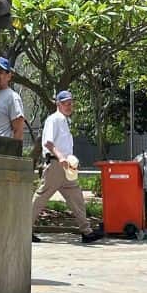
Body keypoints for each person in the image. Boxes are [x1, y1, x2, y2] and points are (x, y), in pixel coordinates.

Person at [31, 91, 103, 244]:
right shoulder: (54, 119)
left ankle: (87, 231)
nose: (69, 106)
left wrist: (70, 160)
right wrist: (61, 157)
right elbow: (48, 143)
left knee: (76, 197)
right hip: (56, 165)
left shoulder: (64, 121)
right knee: (41, 197)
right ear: (58, 104)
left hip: (66, 166)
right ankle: (24, 229)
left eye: (71, 103)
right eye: (66, 103)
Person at [0, 56, 24, 140]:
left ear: (9, 76)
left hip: (2, 150)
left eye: (0, 72)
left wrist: (13, 152)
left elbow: (18, 131)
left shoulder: (12, 97)